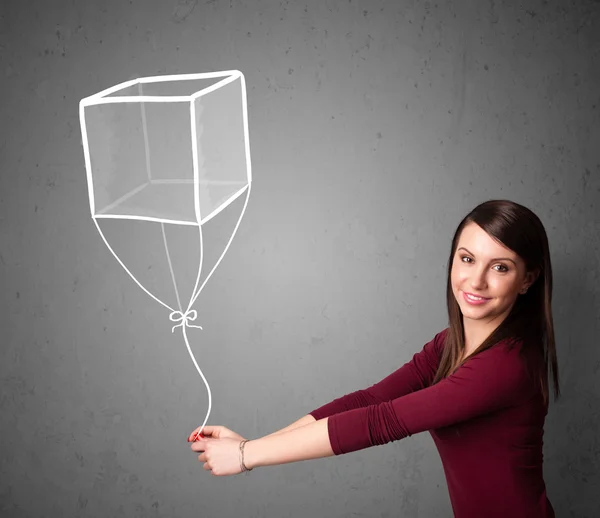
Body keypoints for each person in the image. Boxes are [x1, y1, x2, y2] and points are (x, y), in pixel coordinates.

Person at [188, 199, 559, 518]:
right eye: (467, 259)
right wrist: (249, 446)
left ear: (527, 280)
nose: (475, 281)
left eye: (500, 267)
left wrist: (245, 455)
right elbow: (371, 399)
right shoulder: (451, 344)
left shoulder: (506, 367)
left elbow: (382, 422)